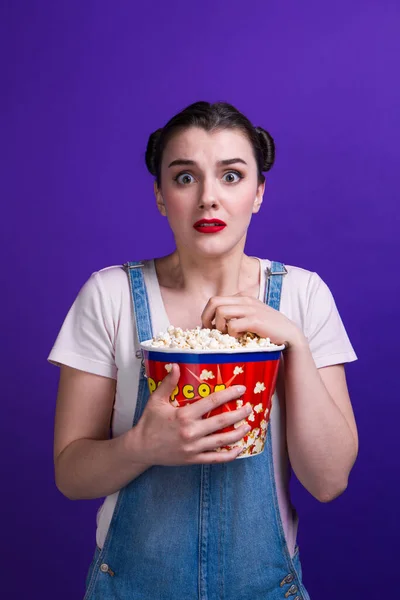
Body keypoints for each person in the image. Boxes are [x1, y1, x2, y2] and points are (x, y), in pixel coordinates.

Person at [48, 101, 358, 600]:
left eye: (231, 177)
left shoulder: (304, 296)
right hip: (128, 589)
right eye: (185, 177)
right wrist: (142, 446)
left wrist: (292, 342)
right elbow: (70, 474)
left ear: (258, 193)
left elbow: (328, 481)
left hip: (265, 588)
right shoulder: (109, 296)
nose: (209, 198)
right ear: (160, 195)